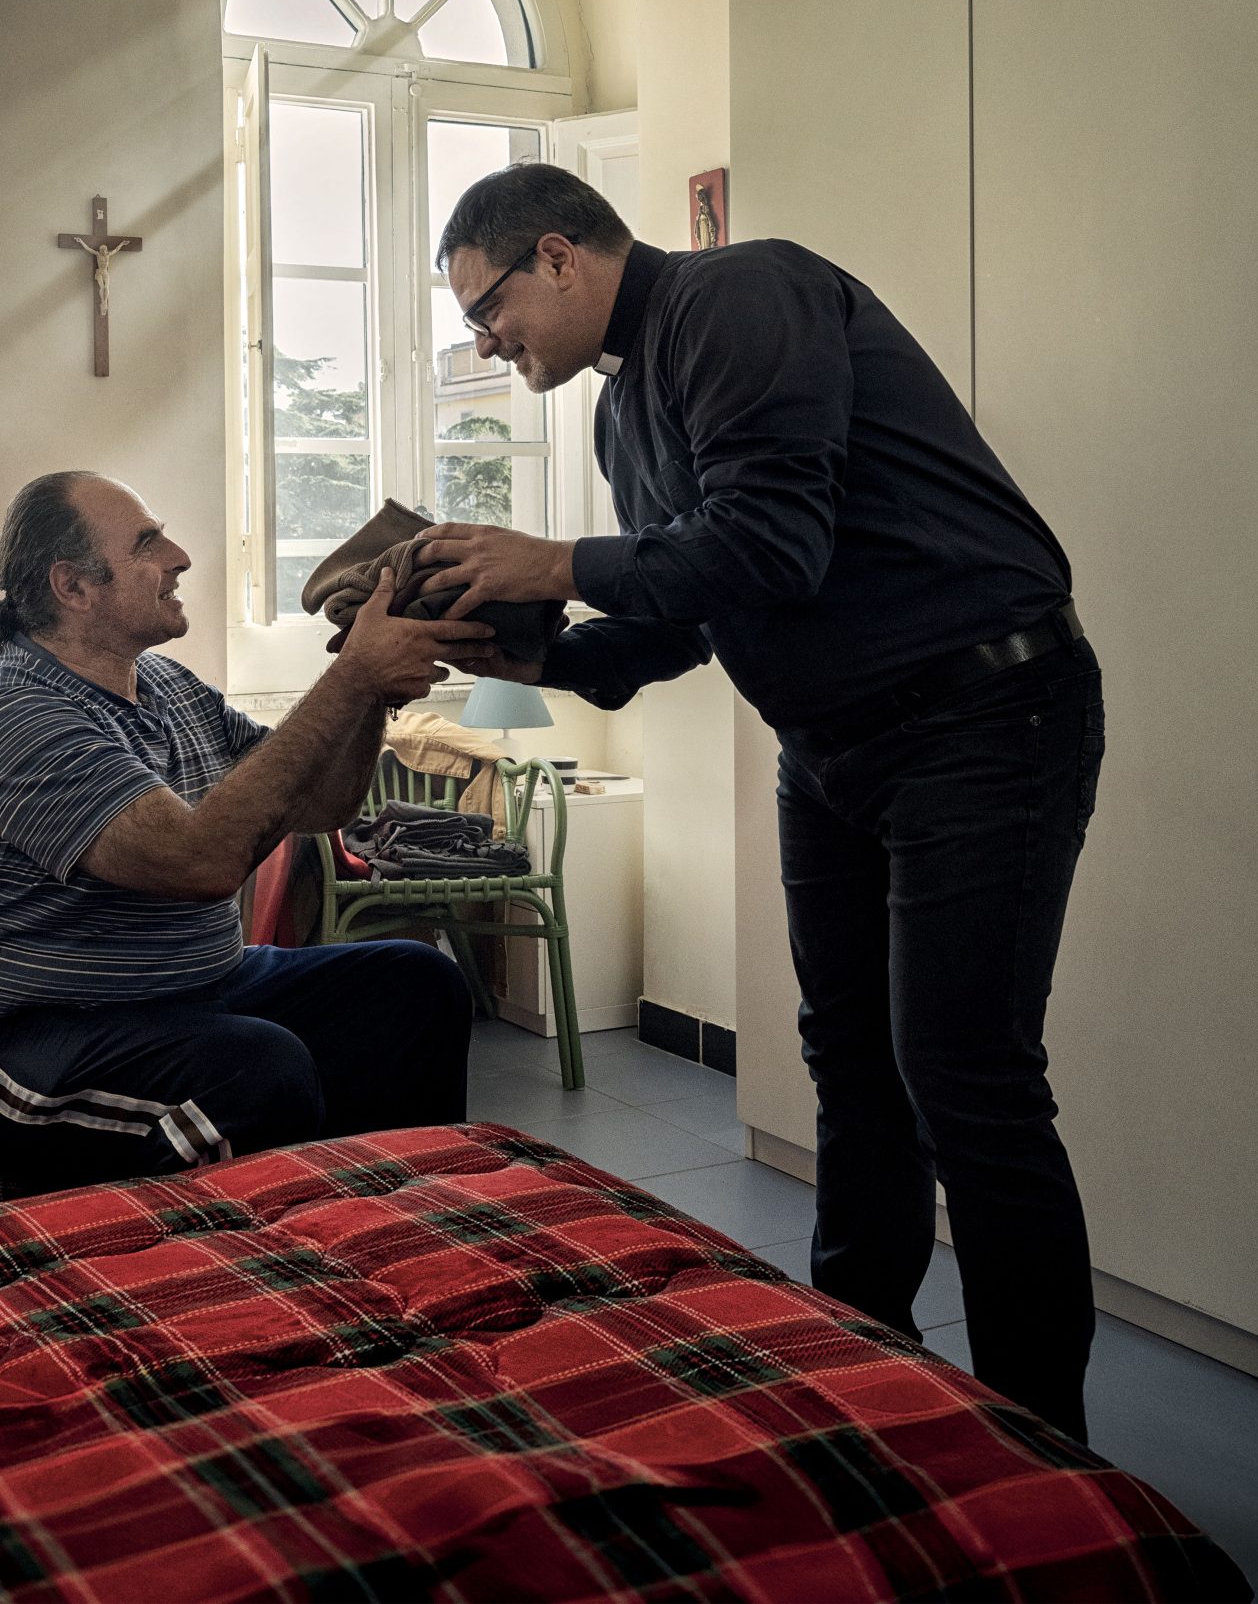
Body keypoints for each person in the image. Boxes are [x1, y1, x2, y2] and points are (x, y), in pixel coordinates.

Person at [415, 161, 1103, 1442]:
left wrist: (555, 562)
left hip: (981, 712)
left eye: (486, 308)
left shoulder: (739, 296)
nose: (487, 341)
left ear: (556, 255)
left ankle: (1040, 1445)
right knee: (851, 1064)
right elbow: (694, 612)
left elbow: (773, 543)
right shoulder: (623, 413)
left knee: (967, 1082)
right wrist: (527, 655)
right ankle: (863, 1376)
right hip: (832, 742)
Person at [0, 471, 486, 1186]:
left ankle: (397, 1208)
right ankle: (276, 1239)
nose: (181, 557)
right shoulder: (12, 712)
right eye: (148, 543)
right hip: (8, 1034)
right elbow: (200, 864)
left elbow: (319, 804)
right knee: (257, 1071)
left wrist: (374, 694)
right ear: (73, 587)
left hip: (184, 991)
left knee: (419, 985)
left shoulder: (168, 686)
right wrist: (351, 677)